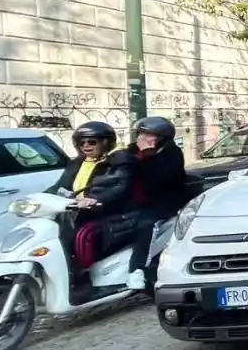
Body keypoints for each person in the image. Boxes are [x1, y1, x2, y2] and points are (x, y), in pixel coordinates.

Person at [48, 121, 133, 266]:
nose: (85, 146)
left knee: (75, 238)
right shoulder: (78, 163)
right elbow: (61, 185)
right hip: (76, 210)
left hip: (107, 212)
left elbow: (118, 186)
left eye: (92, 142)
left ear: (106, 143)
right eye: (81, 142)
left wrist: (94, 199)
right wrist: (40, 197)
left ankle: (82, 274)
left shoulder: (119, 161)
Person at [121, 116, 190, 291]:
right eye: (139, 134)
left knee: (146, 225)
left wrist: (146, 157)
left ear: (160, 138)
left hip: (163, 202)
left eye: (147, 135)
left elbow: (157, 181)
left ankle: (137, 269)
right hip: (137, 201)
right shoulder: (134, 151)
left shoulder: (171, 154)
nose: (141, 139)